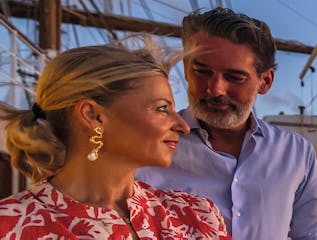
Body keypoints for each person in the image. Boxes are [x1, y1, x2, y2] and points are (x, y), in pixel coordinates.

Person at [0, 37, 229, 239]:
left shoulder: (199, 216)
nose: (182, 126)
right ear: (93, 115)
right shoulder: (10, 225)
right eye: (161, 108)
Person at [135, 7, 317, 239]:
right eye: (201, 71)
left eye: (235, 77)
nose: (215, 89)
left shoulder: (296, 153)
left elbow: (311, 233)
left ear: (265, 81)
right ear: (187, 70)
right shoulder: (146, 148)